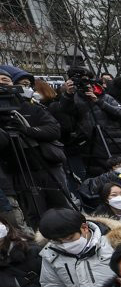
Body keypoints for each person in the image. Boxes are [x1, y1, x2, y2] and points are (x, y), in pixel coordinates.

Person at [0, 66, 71, 227]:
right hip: (18, 172)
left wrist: (27, 130)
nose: (2, 84)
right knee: (35, 216)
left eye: (5, 80)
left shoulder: (30, 107)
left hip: (47, 166)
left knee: (62, 208)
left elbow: (54, 130)